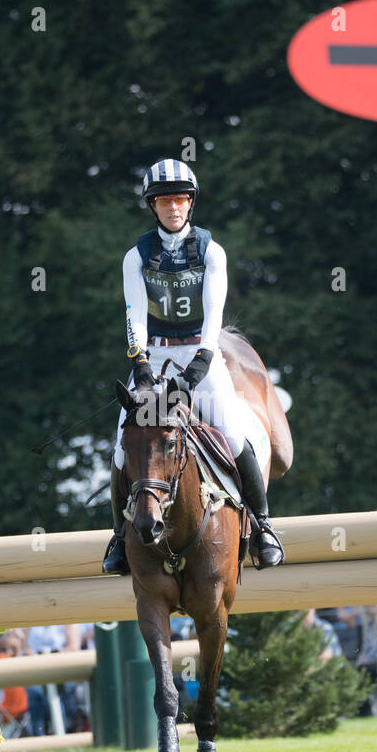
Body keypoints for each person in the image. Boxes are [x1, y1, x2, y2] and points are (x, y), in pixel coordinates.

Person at [102, 159, 284, 575]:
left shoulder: (210, 250)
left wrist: (200, 365)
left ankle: (263, 527)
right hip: (154, 355)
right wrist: (141, 364)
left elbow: (214, 311)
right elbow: (134, 313)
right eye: (165, 200)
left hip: (200, 356)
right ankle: (118, 536)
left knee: (234, 438)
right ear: (153, 205)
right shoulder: (137, 255)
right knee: (120, 449)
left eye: (180, 199)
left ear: (190, 203)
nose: (173, 207)